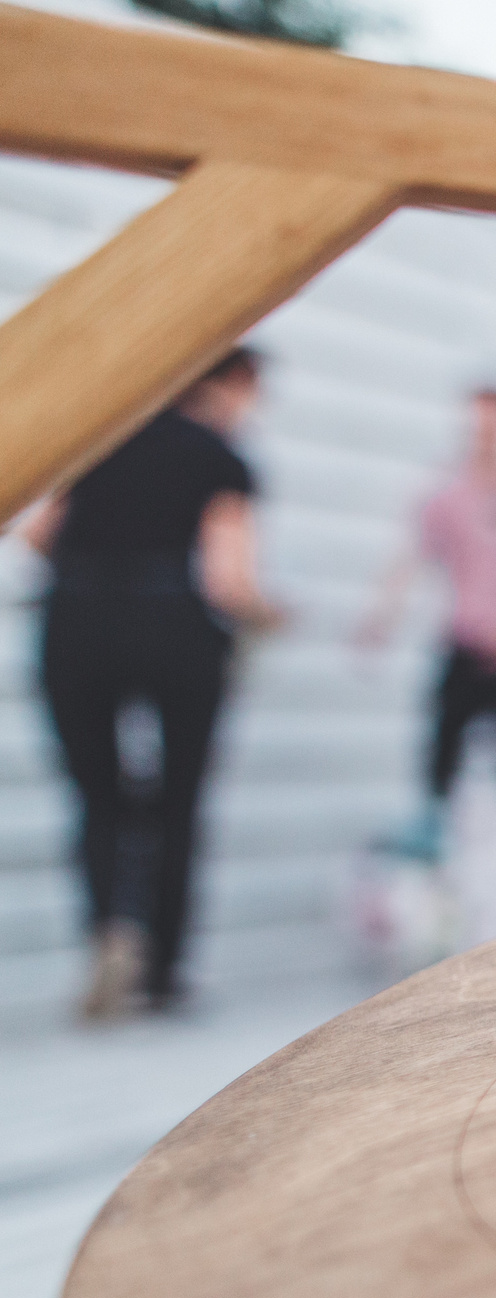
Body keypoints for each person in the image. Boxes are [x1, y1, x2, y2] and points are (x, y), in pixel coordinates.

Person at [20, 346, 280, 1020]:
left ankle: (110, 927)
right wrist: (272, 615)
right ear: (232, 383)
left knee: (98, 794)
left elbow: (38, 535)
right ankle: (162, 970)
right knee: (179, 796)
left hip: (74, 616)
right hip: (173, 621)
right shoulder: (219, 455)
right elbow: (230, 580)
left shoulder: (98, 433)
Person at [361, 386, 496, 859]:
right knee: (440, 757)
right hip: (464, 642)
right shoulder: (446, 496)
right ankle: (435, 849)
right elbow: (411, 558)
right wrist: (380, 619)